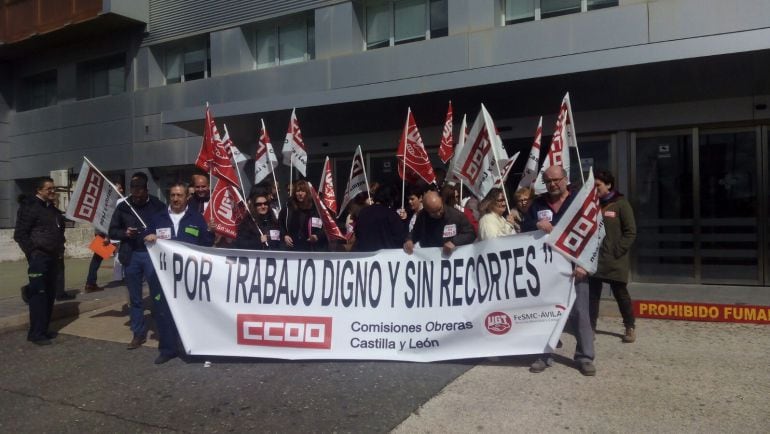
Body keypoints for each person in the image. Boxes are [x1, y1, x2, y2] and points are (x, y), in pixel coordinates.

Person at [521, 165, 595, 376]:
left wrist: (585, 265)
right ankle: (544, 355)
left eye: (556, 180)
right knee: (546, 313)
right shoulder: (537, 204)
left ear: (565, 179)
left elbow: (592, 235)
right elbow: (524, 230)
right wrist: (536, 223)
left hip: (575, 267)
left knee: (580, 313)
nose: (552, 184)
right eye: (548, 181)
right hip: (547, 271)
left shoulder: (580, 202)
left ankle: (585, 357)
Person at [143, 183, 214, 364]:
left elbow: (205, 245)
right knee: (164, 312)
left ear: (186, 197)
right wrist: (149, 236)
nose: (175, 199)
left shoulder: (196, 218)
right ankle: (168, 349)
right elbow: (144, 234)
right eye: (173, 195)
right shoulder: (157, 218)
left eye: (179, 195)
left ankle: (193, 347)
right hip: (164, 276)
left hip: (189, 278)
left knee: (192, 312)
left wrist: (211, 232)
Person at [108, 172, 166, 350]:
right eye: (133, 189)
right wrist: (125, 233)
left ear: (146, 189)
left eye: (140, 189)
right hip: (131, 255)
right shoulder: (124, 207)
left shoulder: (157, 205)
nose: (136, 194)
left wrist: (156, 235)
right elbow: (112, 231)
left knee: (157, 294)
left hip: (152, 255)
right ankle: (138, 333)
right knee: (135, 298)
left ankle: (163, 332)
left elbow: (167, 227)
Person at [14, 177, 66, 345]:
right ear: (39, 190)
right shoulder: (30, 207)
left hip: (53, 258)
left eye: (53, 188)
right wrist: (33, 253)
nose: (52, 191)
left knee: (50, 294)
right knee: (39, 295)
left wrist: (60, 250)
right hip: (39, 258)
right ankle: (35, 333)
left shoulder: (51, 210)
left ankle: (43, 329)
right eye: (48, 188)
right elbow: (20, 234)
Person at [588, 170, 638, 343]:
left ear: (608, 185)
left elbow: (630, 232)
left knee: (620, 294)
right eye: (593, 187)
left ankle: (629, 326)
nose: (595, 190)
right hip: (595, 259)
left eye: (598, 186)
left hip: (615, 261)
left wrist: (617, 251)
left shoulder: (621, 204)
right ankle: (590, 328)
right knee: (592, 296)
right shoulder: (592, 205)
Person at [403, 191, 475, 256]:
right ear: (426, 210)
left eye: (440, 209)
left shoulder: (456, 216)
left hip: (451, 258)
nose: (438, 214)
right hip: (429, 257)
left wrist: (454, 242)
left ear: (441, 201)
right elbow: (415, 232)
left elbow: (470, 234)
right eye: (433, 212)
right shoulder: (422, 216)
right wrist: (410, 240)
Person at [83, 181, 124, 293]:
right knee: (97, 258)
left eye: (121, 188)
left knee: (119, 253)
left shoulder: (112, 202)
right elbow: (105, 221)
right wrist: (106, 236)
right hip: (104, 233)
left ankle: (121, 276)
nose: (121, 190)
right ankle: (90, 283)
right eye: (118, 188)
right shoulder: (108, 203)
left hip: (108, 233)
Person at [354, 185, 406, 251]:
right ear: (390, 199)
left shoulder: (363, 213)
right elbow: (400, 238)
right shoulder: (391, 215)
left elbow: (357, 234)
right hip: (386, 258)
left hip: (365, 256)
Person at [279, 179, 326, 251]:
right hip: (292, 249)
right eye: (298, 191)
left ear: (307, 193)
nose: (300, 193)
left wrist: (317, 236)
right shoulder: (288, 207)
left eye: (303, 191)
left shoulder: (316, 208)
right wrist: (284, 236)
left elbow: (326, 227)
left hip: (311, 249)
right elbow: (280, 224)